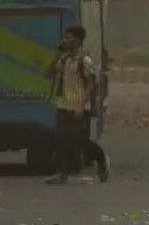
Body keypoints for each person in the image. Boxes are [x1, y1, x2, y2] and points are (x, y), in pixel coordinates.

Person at [45, 25, 110, 184]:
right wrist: (57, 56)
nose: (67, 40)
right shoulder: (64, 59)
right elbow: (48, 73)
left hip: (79, 107)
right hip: (63, 104)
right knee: (61, 139)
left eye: (70, 37)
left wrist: (82, 106)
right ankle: (63, 173)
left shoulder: (84, 61)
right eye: (66, 37)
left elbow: (90, 85)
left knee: (79, 141)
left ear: (78, 40)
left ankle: (101, 158)